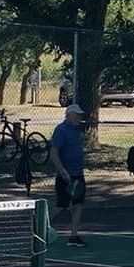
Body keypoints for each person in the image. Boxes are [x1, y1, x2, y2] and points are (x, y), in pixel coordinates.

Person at [49, 102, 89, 247]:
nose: (79, 117)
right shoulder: (61, 130)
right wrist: (62, 171)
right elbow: (54, 152)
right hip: (66, 175)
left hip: (78, 174)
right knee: (61, 205)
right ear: (69, 115)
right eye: (77, 115)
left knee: (78, 204)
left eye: (80, 115)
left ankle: (74, 236)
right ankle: (40, 224)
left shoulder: (76, 130)